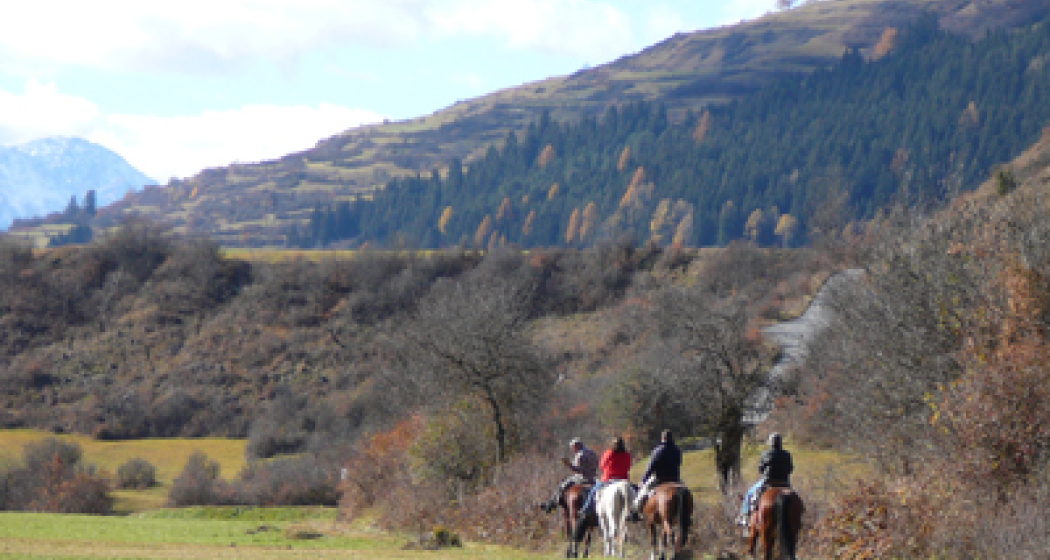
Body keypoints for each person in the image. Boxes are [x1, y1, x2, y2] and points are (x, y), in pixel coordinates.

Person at [571, 436, 632, 542]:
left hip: (608, 479)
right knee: (637, 492)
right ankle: (636, 511)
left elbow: (602, 466)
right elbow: (628, 466)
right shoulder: (627, 455)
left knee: (593, 491)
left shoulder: (608, 453)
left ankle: (586, 509)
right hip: (624, 480)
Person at [738, 432, 793, 527]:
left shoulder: (765, 454)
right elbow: (790, 469)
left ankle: (745, 517)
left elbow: (761, 468)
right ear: (780, 443)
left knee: (749, 493)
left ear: (770, 443)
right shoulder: (787, 454)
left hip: (768, 481)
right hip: (784, 482)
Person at [629, 429, 682, 521]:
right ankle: (688, 516)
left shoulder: (657, 450)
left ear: (662, 438)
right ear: (671, 438)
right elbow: (679, 462)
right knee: (685, 490)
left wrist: (643, 480)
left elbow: (650, 466)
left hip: (660, 478)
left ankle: (635, 511)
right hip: (675, 478)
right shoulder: (677, 450)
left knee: (643, 492)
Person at [539, 437, 599, 514]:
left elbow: (578, 470)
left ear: (576, 446)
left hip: (583, 478)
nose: (573, 450)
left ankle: (551, 504)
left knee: (563, 484)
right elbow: (597, 463)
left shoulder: (579, 455)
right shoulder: (592, 452)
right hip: (594, 477)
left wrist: (568, 464)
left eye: (572, 448)